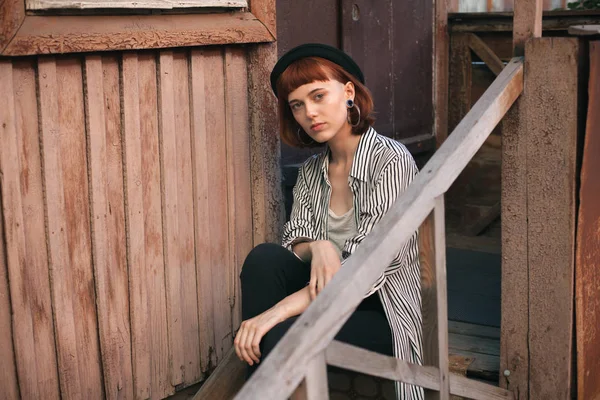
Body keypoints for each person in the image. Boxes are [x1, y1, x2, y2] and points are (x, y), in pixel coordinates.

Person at [234, 43, 424, 399]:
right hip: (321, 300)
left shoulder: (392, 162)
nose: (310, 112)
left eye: (318, 96)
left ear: (349, 93)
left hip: (378, 310)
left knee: (277, 335)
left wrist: (272, 315)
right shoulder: (310, 171)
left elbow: (363, 272)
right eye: (298, 105)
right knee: (264, 259)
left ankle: (260, 388)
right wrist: (318, 247)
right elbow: (295, 236)